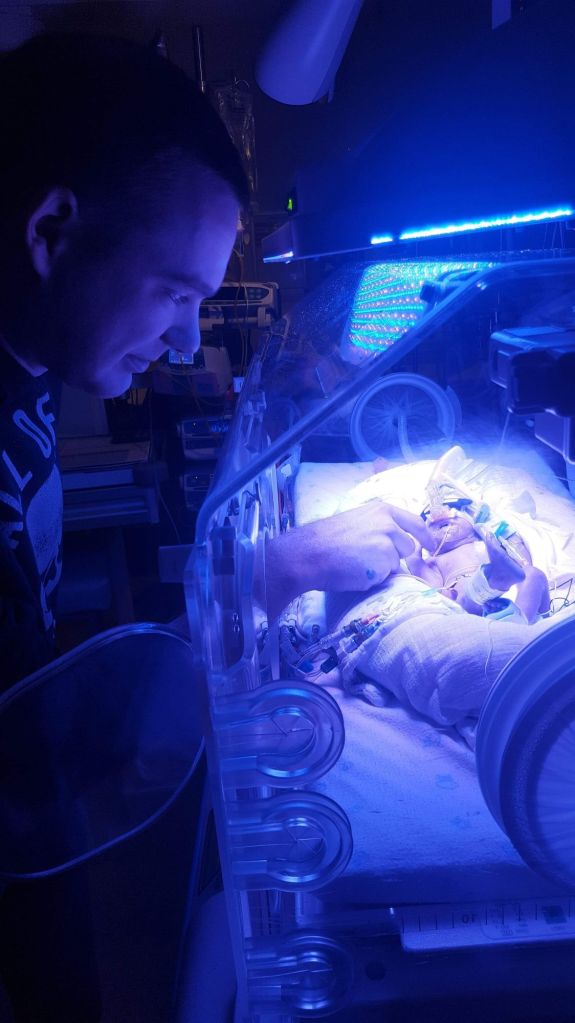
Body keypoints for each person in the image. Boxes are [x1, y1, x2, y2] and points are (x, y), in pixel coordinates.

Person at [0, 32, 431, 1022]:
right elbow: (33, 766)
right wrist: (269, 576)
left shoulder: (27, 367)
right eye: (175, 292)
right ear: (52, 229)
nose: (188, 341)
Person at [405, 506, 550, 624]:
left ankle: (519, 621)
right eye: (432, 525)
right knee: (461, 598)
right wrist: (414, 555)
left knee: (532, 574)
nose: (442, 522)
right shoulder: (436, 560)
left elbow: (522, 564)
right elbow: (434, 588)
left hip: (513, 599)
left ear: (472, 528)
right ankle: (494, 581)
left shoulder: (488, 545)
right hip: (469, 604)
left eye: (454, 516)